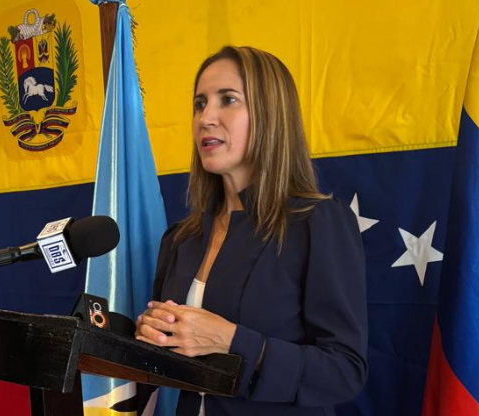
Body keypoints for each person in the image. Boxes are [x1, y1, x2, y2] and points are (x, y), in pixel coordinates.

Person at [135, 46, 368, 416]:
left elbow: (344, 372)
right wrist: (152, 336)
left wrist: (232, 340)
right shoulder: (181, 239)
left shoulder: (318, 222)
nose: (206, 118)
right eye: (199, 104)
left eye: (227, 100)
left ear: (270, 114)